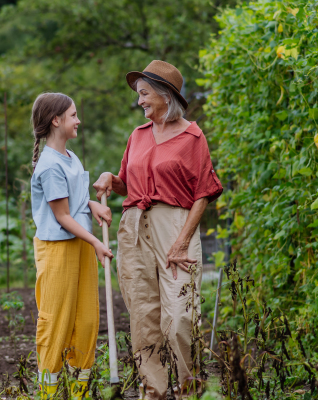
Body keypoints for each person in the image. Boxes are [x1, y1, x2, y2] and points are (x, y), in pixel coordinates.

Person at [93, 60, 223, 399]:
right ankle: (153, 389)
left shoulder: (193, 136)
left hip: (175, 225)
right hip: (134, 227)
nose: (140, 101)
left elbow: (204, 192)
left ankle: (188, 387)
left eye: (145, 94)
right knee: (143, 313)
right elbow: (126, 184)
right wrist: (111, 177)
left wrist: (182, 242)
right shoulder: (136, 136)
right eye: (139, 95)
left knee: (180, 314)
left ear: (166, 95)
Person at [30, 92, 114, 399]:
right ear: (56, 120)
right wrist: (95, 243)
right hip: (59, 249)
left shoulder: (70, 157)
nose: (78, 120)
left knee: (87, 320)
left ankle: (78, 394)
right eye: (73, 115)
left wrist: (91, 204)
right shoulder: (50, 165)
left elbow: (71, 201)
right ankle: (48, 395)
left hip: (78, 244)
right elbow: (61, 215)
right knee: (57, 322)